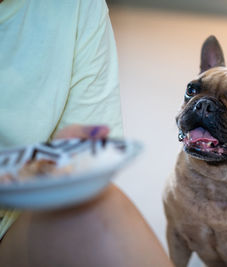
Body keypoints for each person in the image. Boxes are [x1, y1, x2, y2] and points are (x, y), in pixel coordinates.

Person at [0, 0, 173, 266]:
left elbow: (77, 167)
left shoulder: (76, 6)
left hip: (9, 223)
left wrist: (60, 166)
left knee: (96, 209)